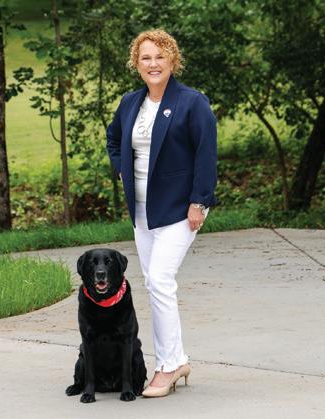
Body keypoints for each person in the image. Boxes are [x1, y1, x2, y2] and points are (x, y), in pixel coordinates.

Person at [106, 28, 218, 398]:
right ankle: (179, 359)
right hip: (142, 212)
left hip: (179, 210)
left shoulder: (192, 102)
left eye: (160, 56)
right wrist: (121, 168)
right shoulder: (130, 102)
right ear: (136, 64)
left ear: (172, 60)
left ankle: (168, 366)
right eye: (146, 58)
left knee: (159, 279)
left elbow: (206, 155)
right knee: (155, 283)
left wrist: (200, 202)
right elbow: (113, 138)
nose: (153, 64)